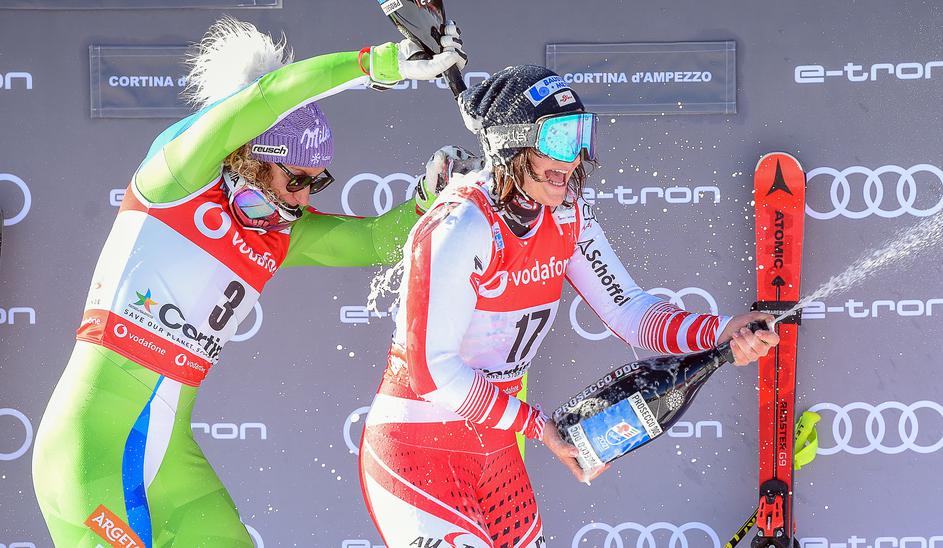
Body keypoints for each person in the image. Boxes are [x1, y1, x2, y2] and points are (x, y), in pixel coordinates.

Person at [31, 17, 466, 547]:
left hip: (171, 465)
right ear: (253, 158)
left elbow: (377, 241)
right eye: (296, 179)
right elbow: (267, 98)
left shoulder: (277, 234)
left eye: (316, 183)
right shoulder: (176, 181)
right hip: (91, 455)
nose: (304, 197)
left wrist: (434, 196)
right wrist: (383, 64)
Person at [358, 65, 780, 548]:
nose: (574, 158)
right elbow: (433, 374)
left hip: (495, 453)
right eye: (559, 139)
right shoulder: (460, 227)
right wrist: (538, 426)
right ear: (513, 144)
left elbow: (629, 311)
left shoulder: (566, 214)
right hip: (418, 455)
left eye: (581, 137)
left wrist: (722, 331)